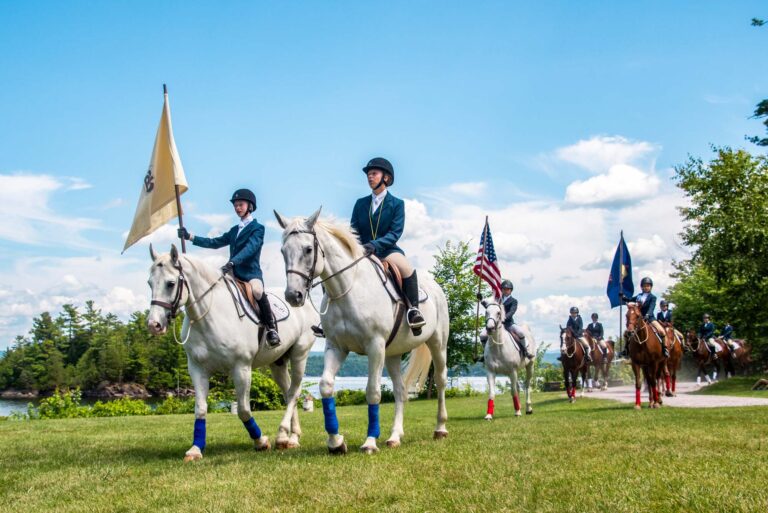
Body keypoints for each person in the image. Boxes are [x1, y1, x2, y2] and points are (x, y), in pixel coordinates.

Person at [178, 189, 280, 347]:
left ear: (250, 206)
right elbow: (214, 242)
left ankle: (271, 328)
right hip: (232, 273)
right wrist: (189, 236)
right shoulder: (234, 230)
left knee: (258, 291)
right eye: (236, 205)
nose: (237, 208)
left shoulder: (258, 228)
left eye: (240, 205)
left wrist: (233, 262)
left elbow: (251, 248)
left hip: (250, 274)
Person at [351, 157, 425, 329]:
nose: (370, 177)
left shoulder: (397, 204)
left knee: (407, 269)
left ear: (386, 178)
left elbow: (395, 232)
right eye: (368, 174)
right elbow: (353, 231)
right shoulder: (360, 204)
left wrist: (375, 245)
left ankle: (414, 311)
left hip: (388, 250)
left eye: (374, 174)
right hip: (362, 251)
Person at [621, 277, 668, 358]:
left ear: (650, 287)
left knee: (662, 331)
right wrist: (623, 297)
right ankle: (626, 349)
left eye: (648, 286)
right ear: (641, 287)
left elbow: (651, 307)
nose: (646, 287)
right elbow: (630, 299)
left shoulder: (652, 297)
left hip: (649, 318)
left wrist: (648, 314)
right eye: (644, 286)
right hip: (638, 319)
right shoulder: (639, 296)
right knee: (626, 333)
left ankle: (664, 349)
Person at [485, 279, 531, 358]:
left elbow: (511, 312)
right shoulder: (497, 300)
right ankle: (484, 354)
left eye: (507, 289)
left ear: (511, 290)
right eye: (504, 289)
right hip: (496, 324)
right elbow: (489, 307)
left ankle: (525, 351)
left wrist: (503, 318)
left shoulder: (514, 301)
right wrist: (480, 299)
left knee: (520, 332)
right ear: (501, 290)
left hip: (508, 323)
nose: (505, 291)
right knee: (482, 335)